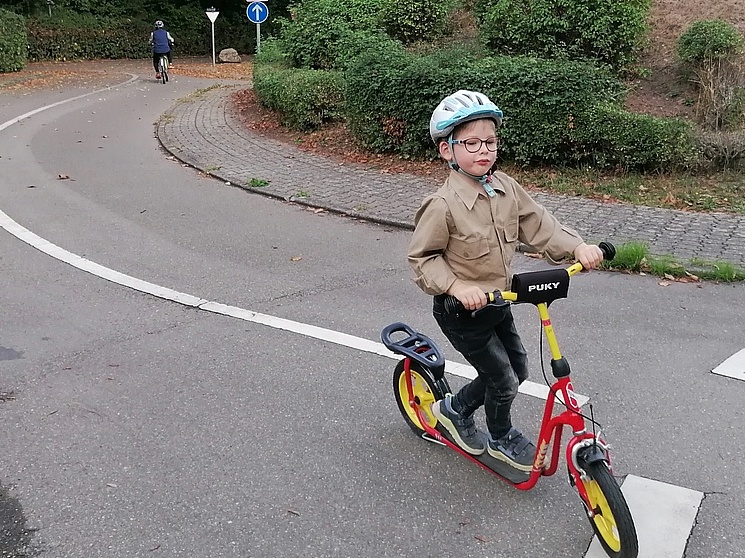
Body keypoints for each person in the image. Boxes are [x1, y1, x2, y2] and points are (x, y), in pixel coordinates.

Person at [407, 90, 603, 473]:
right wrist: (456, 287)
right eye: (472, 143)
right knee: (503, 380)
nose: (485, 150)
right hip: (461, 311)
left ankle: (456, 407)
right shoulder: (442, 205)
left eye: (491, 141)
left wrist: (578, 247)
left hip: (499, 301)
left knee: (519, 371)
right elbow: (422, 258)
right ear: (448, 151)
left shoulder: (506, 188)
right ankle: (500, 435)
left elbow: (539, 225)